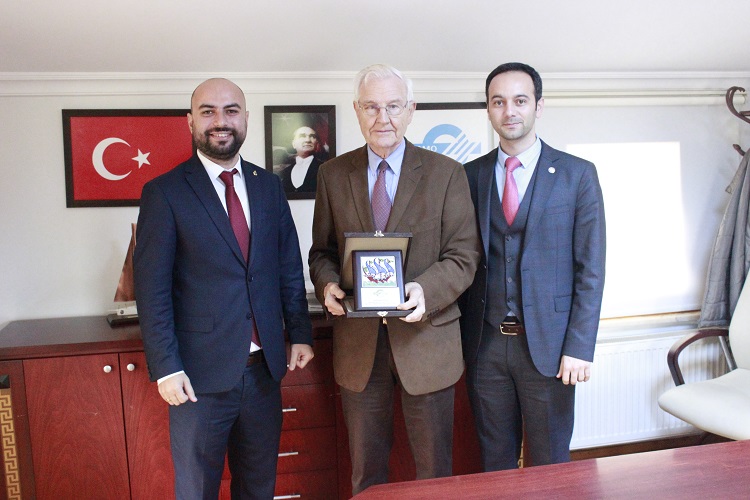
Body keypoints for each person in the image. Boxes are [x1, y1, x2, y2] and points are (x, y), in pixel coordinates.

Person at [133, 77, 314, 499]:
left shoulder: (269, 186)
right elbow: (152, 289)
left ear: (245, 118)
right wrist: (166, 368)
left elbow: (287, 267)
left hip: (264, 372)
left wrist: (300, 332)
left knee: (258, 488)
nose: (221, 121)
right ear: (190, 121)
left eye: (231, 111)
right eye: (208, 111)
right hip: (197, 377)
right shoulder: (164, 192)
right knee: (197, 490)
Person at [308, 64, 480, 494]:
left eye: (393, 106)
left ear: (411, 110)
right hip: (359, 348)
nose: (382, 118)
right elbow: (322, 252)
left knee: (435, 474)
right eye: (371, 107)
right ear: (356, 110)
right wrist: (327, 284)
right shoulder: (332, 174)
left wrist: (425, 290)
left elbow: (464, 256)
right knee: (366, 475)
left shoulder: (447, 173)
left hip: (427, 343)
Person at [460, 62, 606, 471]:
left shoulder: (577, 175)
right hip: (485, 346)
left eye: (520, 100)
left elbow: (591, 270)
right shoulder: (469, 176)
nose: (510, 111)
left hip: (551, 348)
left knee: (549, 464)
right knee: (494, 463)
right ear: (488, 109)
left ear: (538, 106)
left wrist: (579, 347)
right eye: (499, 102)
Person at [275, 125, 323, 194]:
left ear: (317, 144)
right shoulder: (285, 172)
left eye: (312, 136)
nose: (308, 140)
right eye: (302, 136)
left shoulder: (324, 169)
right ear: (293, 144)